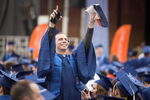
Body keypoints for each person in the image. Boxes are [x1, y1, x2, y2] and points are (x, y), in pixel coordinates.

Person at [38, 5, 97, 100]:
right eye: (60, 39)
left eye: (66, 39)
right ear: (53, 43)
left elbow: (85, 45)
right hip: (56, 97)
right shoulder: (51, 59)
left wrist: (90, 25)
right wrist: (52, 25)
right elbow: (46, 46)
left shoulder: (73, 58)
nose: (64, 41)